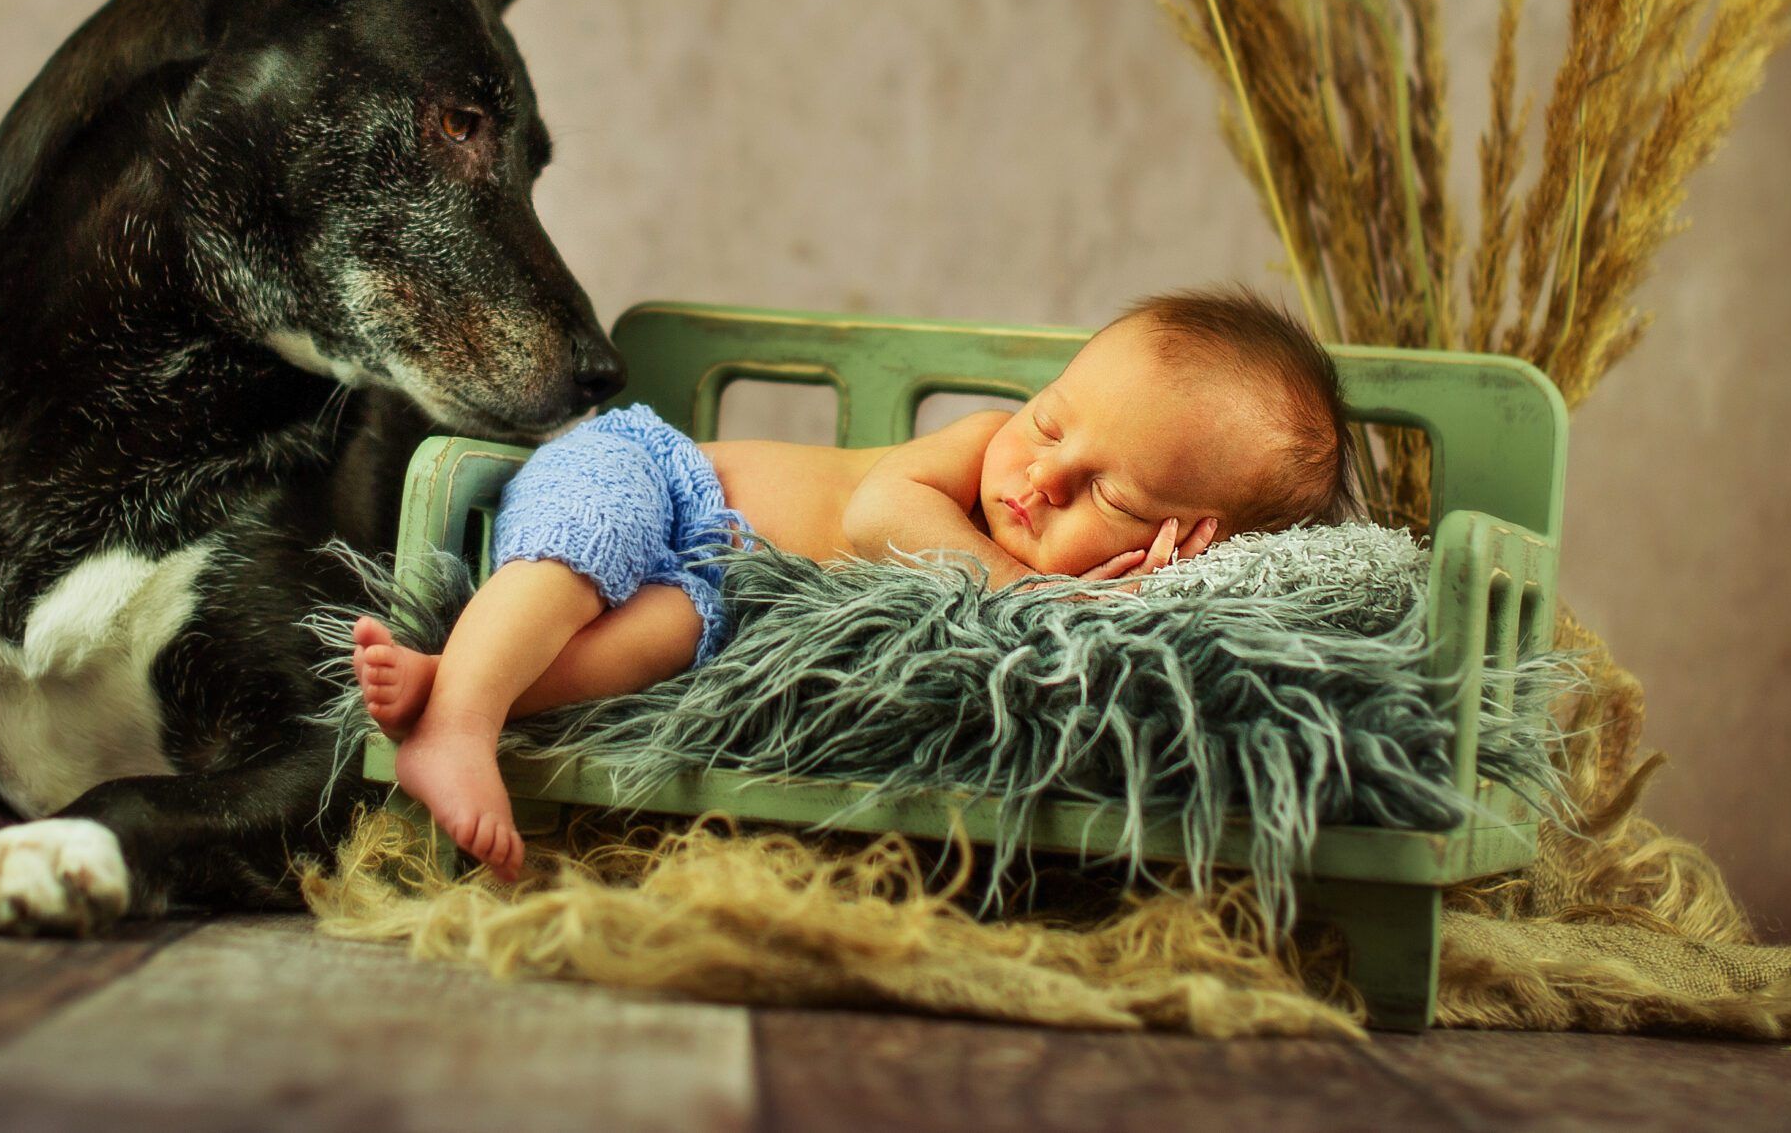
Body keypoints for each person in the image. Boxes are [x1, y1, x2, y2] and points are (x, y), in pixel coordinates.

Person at [351, 284, 1352, 878]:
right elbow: (880, 520)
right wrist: (1032, 587)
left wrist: (1126, 601)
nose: (1040, 474)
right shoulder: (971, 455)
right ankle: (458, 728)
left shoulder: (1113, 591)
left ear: (1184, 544)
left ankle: (456, 675)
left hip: (714, 580)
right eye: (1050, 420)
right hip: (656, 478)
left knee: (649, 645)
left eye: (1112, 497)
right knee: (586, 554)